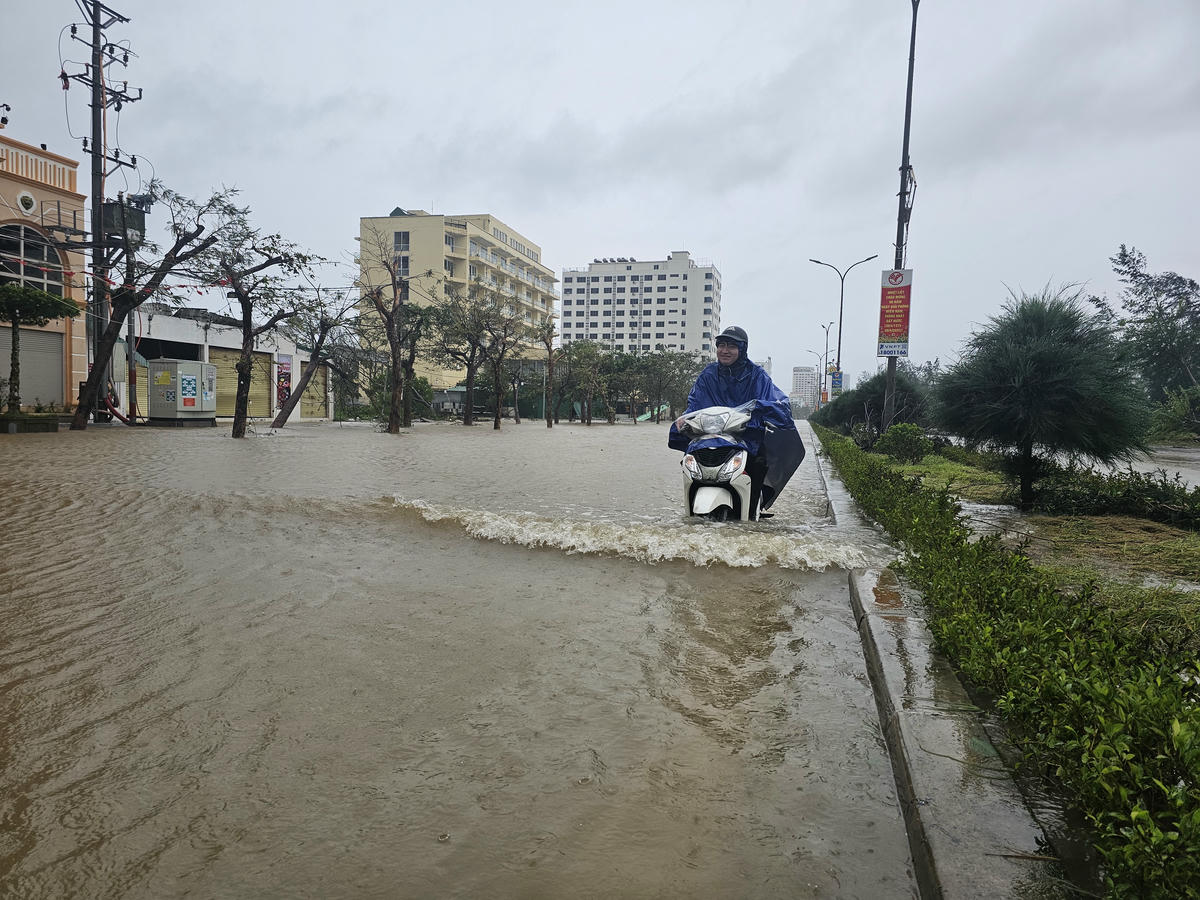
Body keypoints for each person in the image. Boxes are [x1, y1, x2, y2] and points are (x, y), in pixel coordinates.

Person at [668, 326, 802, 518]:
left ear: (742, 349)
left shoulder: (757, 375)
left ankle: (752, 512)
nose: (725, 350)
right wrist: (684, 420)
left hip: (747, 440)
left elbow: (777, 404)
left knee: (757, 466)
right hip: (709, 438)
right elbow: (695, 404)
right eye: (721, 345)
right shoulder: (708, 375)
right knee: (688, 463)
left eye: (731, 346)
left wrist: (759, 408)